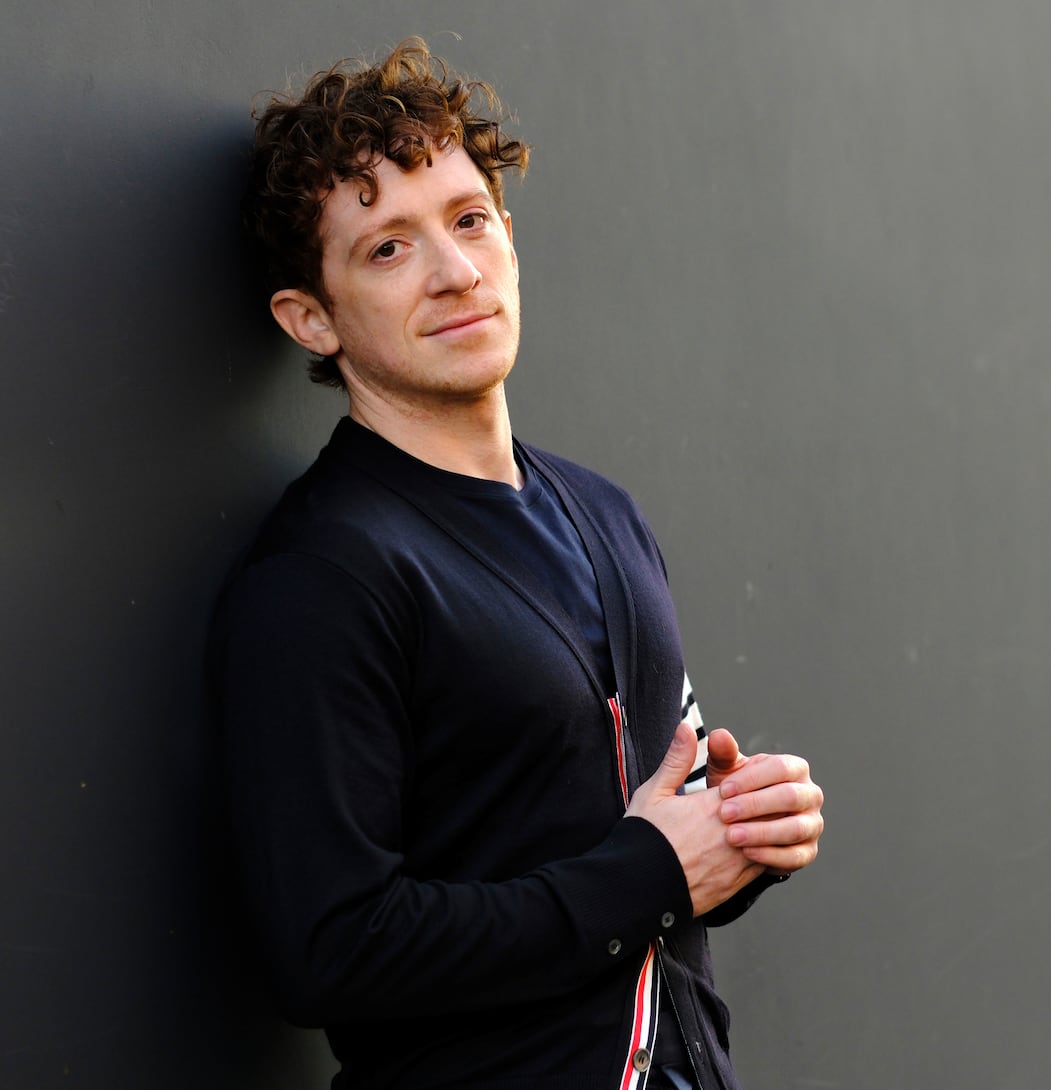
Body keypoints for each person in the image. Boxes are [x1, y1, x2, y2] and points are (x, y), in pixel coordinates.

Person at [214, 38, 824, 1090]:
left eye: (467, 220)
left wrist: (734, 833)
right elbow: (330, 949)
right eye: (387, 249)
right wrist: (652, 871)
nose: (455, 272)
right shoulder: (324, 574)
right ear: (310, 317)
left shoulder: (604, 512)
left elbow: (623, 855)